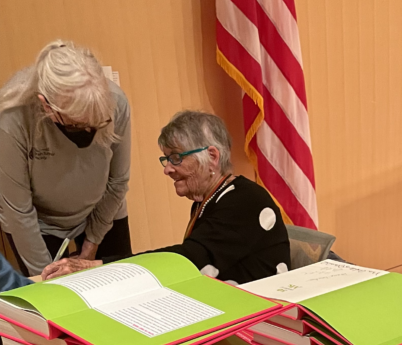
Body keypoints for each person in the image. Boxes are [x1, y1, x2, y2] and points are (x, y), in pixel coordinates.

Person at [42, 110, 290, 285]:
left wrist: (99, 265)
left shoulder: (245, 201)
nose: (167, 168)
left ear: (212, 157)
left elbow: (186, 260)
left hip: (260, 321)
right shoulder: (212, 199)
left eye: (176, 158)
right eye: (167, 159)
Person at [0, 40, 132, 276]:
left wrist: (90, 249)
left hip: (101, 210)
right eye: (76, 124)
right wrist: (49, 276)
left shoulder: (116, 102)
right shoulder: (12, 117)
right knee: (51, 298)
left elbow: (118, 182)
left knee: (117, 283)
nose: (87, 132)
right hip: (37, 223)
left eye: (96, 123)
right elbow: (19, 210)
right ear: (47, 106)